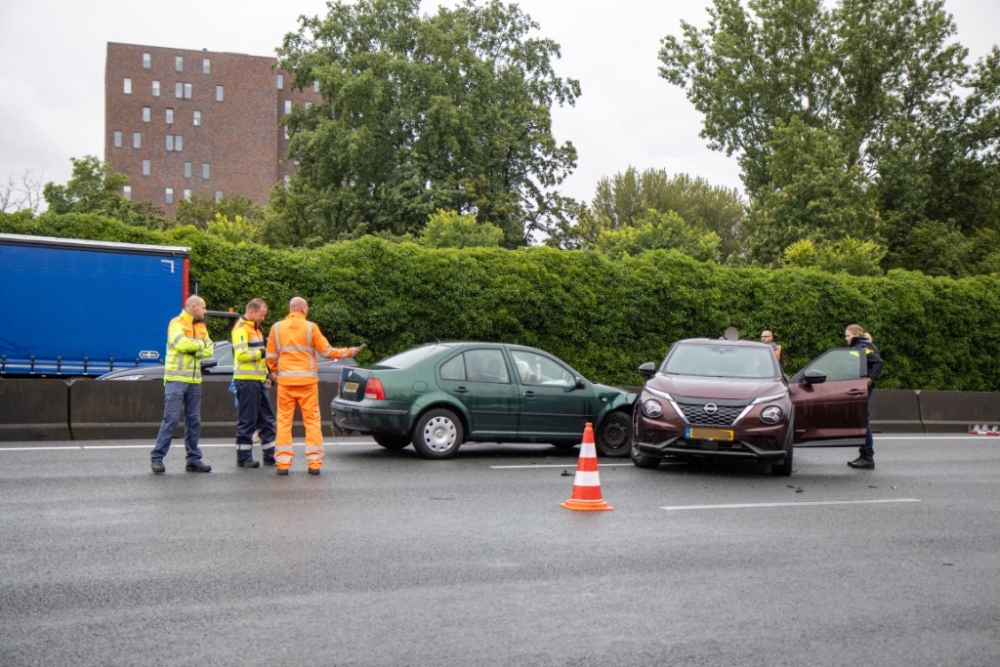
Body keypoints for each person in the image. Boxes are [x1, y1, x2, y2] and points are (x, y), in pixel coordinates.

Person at [266, 297, 361, 475]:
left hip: (286, 383)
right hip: (307, 383)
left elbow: (270, 356)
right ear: (303, 309)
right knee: (312, 422)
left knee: (284, 422)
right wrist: (348, 351)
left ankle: (283, 464)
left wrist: (276, 373)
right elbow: (327, 351)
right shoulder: (310, 327)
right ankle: (314, 463)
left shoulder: (276, 328)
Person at [150, 295, 214, 474]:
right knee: (171, 419)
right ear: (193, 307)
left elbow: (210, 349)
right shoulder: (176, 323)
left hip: (194, 381)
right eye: (203, 307)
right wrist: (199, 345)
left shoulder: (201, 326)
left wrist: (194, 346)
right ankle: (157, 457)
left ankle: (193, 460)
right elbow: (180, 344)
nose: (205, 311)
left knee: (194, 421)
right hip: (176, 379)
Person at [231, 298, 276, 468]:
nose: (262, 318)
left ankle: (270, 455)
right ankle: (243, 457)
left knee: (266, 419)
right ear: (251, 312)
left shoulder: (255, 329)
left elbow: (258, 361)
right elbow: (241, 355)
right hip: (246, 380)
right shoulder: (241, 329)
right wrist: (263, 352)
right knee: (247, 420)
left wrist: (267, 376)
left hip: (258, 380)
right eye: (261, 315)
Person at [845, 324, 884, 470]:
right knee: (861, 421)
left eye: (848, 335)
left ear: (855, 335)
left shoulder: (863, 347)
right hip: (858, 387)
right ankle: (863, 455)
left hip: (863, 388)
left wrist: (870, 379)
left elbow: (878, 363)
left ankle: (868, 457)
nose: (846, 338)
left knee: (864, 422)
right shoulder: (860, 346)